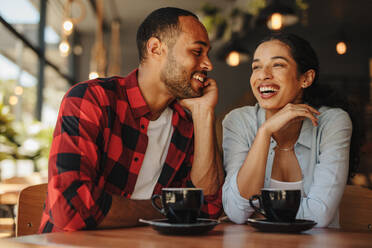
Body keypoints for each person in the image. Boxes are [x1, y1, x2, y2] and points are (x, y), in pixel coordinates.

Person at [39, 7, 224, 233]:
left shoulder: (187, 123)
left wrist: (204, 113)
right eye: (197, 52)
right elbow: (71, 208)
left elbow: (208, 208)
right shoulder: (91, 99)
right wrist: (167, 208)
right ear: (156, 48)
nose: (208, 65)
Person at [222, 33, 360, 228]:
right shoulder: (238, 121)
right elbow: (237, 211)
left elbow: (319, 216)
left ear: (305, 78)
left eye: (277, 65)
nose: (263, 75)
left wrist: (259, 214)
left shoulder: (332, 122)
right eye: (256, 67)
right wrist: (264, 132)